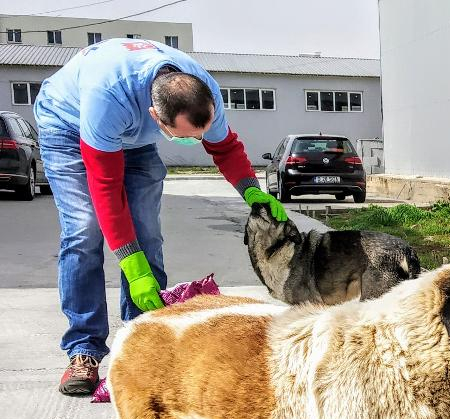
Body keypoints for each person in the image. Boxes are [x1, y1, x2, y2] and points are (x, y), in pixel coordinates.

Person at [33, 38, 288, 396]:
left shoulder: (202, 91)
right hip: (69, 127)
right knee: (84, 231)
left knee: (147, 235)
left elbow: (224, 147)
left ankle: (144, 340)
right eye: (185, 138)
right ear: (157, 116)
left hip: (133, 137)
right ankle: (84, 350)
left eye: (198, 134)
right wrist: (131, 265)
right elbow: (106, 188)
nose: (195, 141)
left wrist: (252, 191)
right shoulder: (107, 97)